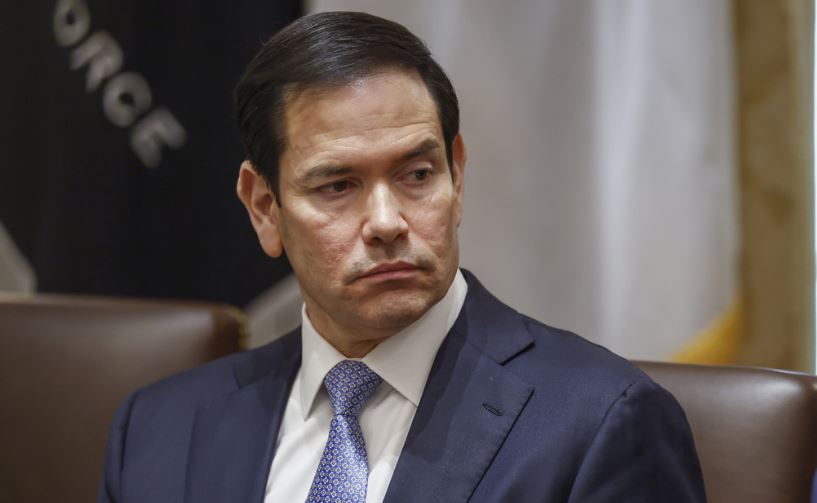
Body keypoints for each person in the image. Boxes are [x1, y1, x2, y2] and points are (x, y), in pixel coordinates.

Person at [98, 11, 706, 503]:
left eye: (417, 174)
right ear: (264, 207)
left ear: (456, 177)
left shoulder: (600, 424)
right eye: (337, 186)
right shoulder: (159, 429)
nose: (387, 222)